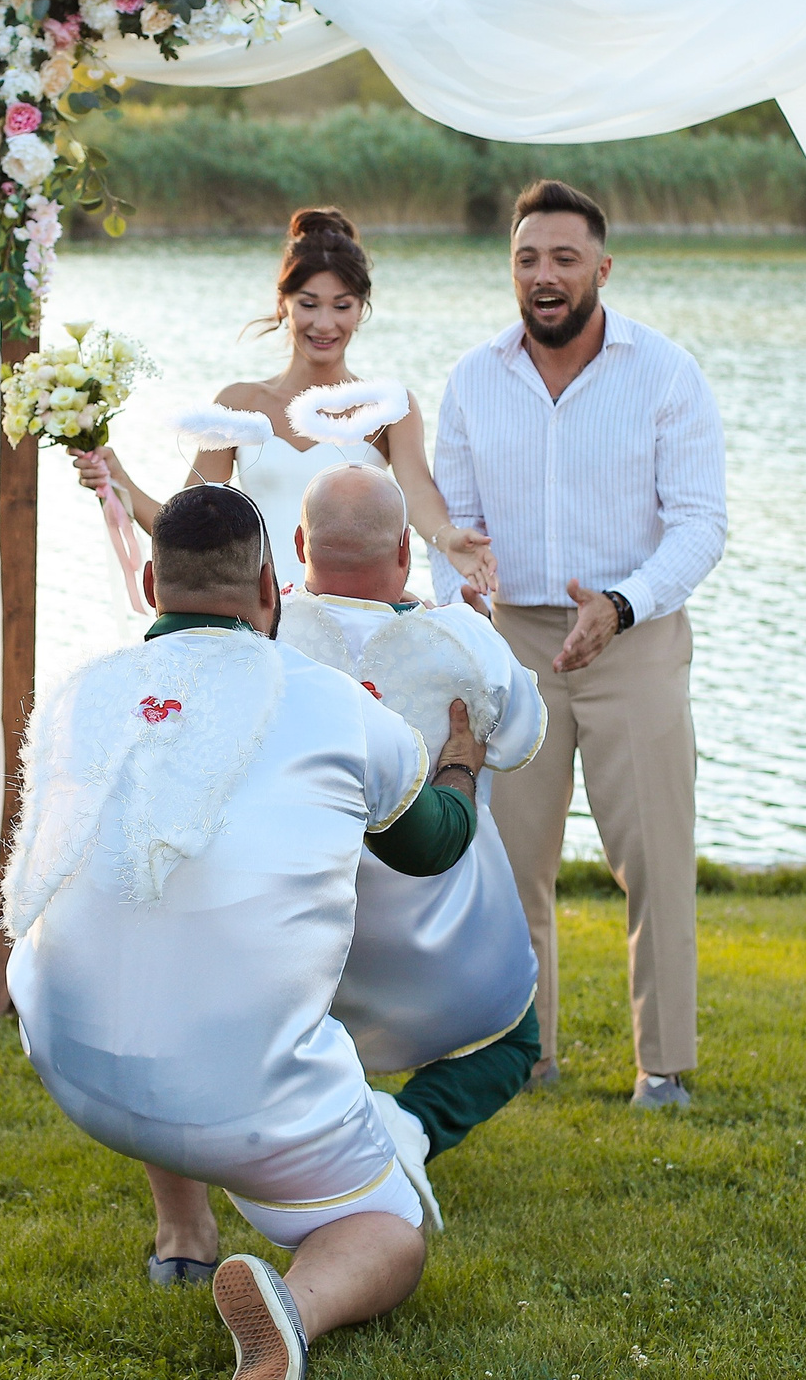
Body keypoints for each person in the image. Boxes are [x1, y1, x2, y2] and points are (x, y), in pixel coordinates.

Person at [4, 483, 489, 1379]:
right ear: (272, 589)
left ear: (150, 584)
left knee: (153, 901)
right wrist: (460, 762)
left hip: (72, 1059)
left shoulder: (78, 695)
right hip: (244, 1098)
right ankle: (290, 1315)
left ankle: (183, 1233)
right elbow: (434, 848)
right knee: (389, 1230)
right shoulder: (337, 705)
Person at [431, 179, 727, 1112]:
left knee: (655, 858)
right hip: (513, 642)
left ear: (603, 267)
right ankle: (526, 1054)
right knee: (512, 863)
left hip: (633, 638)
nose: (545, 275)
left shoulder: (665, 373)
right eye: (527, 259)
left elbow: (701, 523)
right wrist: (460, 590)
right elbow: (450, 526)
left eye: (564, 258)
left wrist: (624, 604)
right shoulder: (473, 379)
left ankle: (663, 1068)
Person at [278, 464, 546, 1176]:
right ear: (404, 549)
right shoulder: (462, 640)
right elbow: (519, 739)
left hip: (301, 949)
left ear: (300, 543)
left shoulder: (263, 637)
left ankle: (318, 1136)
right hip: (439, 942)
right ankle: (410, 1124)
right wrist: (480, 636)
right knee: (515, 1038)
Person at [74, 207, 498, 600]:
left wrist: (448, 538)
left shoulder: (387, 407)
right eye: (308, 304)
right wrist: (119, 482)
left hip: (353, 614)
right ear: (283, 303)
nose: (324, 324)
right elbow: (187, 528)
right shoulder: (239, 403)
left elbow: (417, 492)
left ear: (361, 309)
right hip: (259, 615)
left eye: (342, 306)